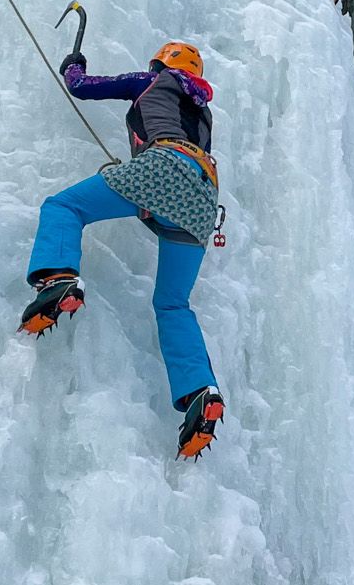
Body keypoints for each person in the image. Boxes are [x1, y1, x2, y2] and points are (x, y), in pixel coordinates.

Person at [20, 40, 226, 458]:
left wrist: (74, 66)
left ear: (161, 62)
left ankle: (59, 277)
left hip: (164, 168)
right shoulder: (202, 111)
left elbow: (84, 87)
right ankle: (200, 395)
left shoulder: (154, 80)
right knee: (172, 304)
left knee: (63, 207)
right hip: (204, 199)